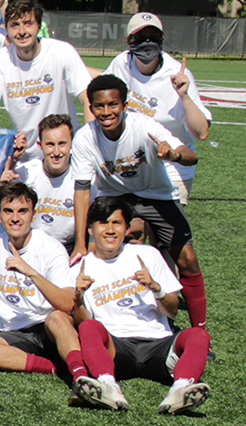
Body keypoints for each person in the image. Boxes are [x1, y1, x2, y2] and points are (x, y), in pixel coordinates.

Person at [70, 75, 207, 334]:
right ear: (91, 107)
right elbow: (82, 191)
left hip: (156, 194)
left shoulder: (144, 126)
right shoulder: (85, 138)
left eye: (113, 105)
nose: (106, 112)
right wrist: (80, 241)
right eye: (99, 106)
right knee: (103, 252)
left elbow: (192, 156)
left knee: (187, 259)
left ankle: (200, 330)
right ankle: (111, 323)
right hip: (114, 196)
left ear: (125, 105)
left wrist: (174, 154)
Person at [70, 197, 210, 414]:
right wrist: (78, 296)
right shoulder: (80, 268)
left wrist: (156, 288)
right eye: (103, 223)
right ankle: (108, 385)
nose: (110, 230)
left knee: (198, 336)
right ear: (90, 229)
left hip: (160, 343)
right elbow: (84, 323)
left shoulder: (147, 255)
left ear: (127, 228)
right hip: (117, 347)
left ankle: (180, 389)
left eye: (117, 223)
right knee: (89, 329)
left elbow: (171, 310)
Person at [0, 182, 88, 385]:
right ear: (0, 216)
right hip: (15, 334)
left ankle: (81, 375)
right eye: (8, 211)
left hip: (49, 328)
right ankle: (58, 367)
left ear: (33, 215)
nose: (15, 218)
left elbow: (67, 305)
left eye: (23, 211)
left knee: (57, 318)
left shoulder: (51, 247)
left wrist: (31, 273)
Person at [104, 12, 211, 206]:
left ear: (162, 39)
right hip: (131, 163)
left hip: (172, 166)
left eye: (153, 37)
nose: (147, 42)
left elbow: (201, 132)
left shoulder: (178, 73)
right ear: (129, 40)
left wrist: (184, 95)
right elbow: (103, 86)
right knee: (132, 230)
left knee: (166, 235)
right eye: (140, 37)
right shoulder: (121, 63)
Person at [0, 0, 93, 160]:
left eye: (28, 23)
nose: (22, 31)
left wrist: (88, 144)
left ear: (39, 26)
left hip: (67, 153)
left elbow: (88, 97)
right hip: (27, 156)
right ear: (7, 29)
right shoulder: (0, 58)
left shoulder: (62, 51)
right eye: (15, 25)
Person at [10, 114, 82, 250]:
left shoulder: (84, 176)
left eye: (62, 144)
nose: (56, 152)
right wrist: (11, 164)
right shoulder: (25, 173)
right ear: (40, 145)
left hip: (69, 247)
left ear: (72, 143)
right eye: (50, 144)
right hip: (29, 245)